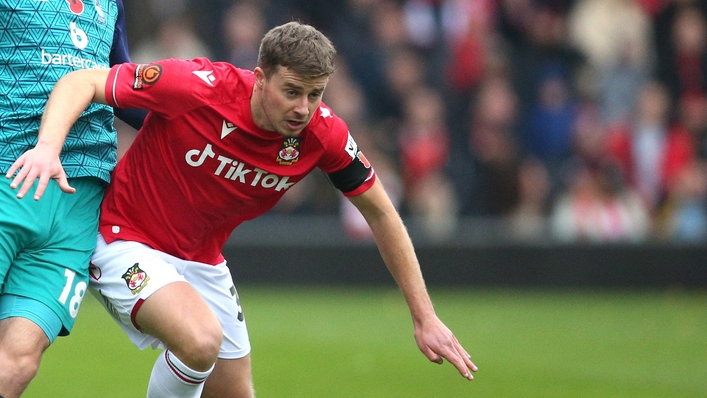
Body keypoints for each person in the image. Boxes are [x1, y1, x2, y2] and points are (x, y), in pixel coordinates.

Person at [7, 21, 477, 397]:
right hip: (122, 238)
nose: (303, 108)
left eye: (315, 95)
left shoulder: (323, 135)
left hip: (203, 260)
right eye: (292, 91)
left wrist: (425, 316)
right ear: (259, 78)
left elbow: (380, 212)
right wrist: (49, 148)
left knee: (234, 393)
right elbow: (82, 80)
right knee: (199, 341)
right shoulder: (195, 86)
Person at [0, 1, 146, 397]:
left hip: (78, 202)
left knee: (22, 359)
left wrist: (194, 123)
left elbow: (121, 86)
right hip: (8, 173)